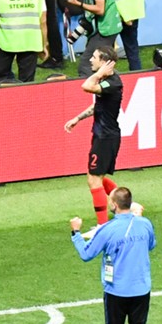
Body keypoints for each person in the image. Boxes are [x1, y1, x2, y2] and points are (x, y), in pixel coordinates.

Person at [71, 186, 156, 324]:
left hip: (117, 291)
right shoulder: (144, 224)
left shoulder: (108, 229)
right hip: (141, 288)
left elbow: (86, 254)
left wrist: (76, 233)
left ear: (115, 205)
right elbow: (151, 245)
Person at [65, 48, 125, 226]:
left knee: (94, 179)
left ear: (104, 62)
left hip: (106, 137)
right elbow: (98, 106)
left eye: (94, 57)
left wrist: (98, 74)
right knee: (96, 177)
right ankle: (127, 204)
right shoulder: (107, 81)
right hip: (102, 135)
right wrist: (78, 118)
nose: (90, 60)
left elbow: (86, 86)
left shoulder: (112, 83)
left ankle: (102, 225)